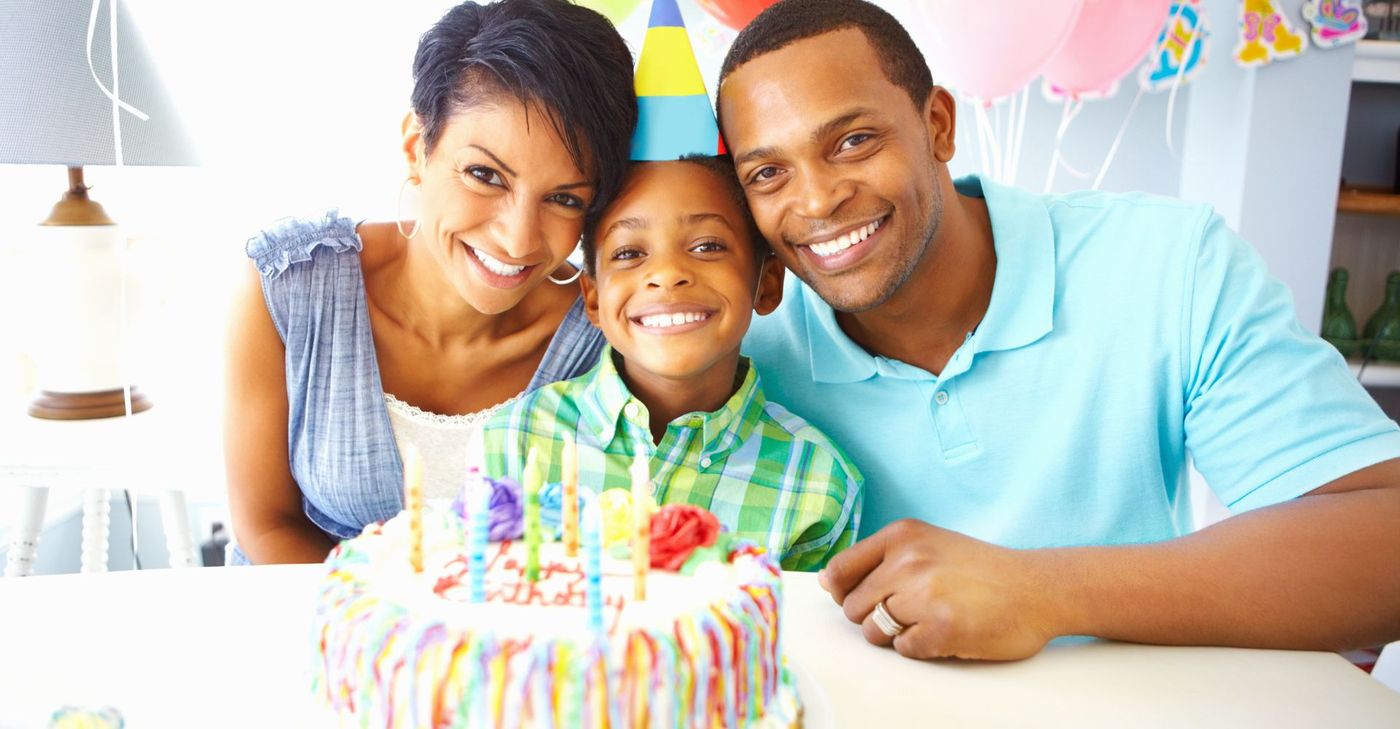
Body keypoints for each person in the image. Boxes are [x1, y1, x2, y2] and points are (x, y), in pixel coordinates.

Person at [716, 0, 1400, 659]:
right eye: (768, 173)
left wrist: (1042, 590)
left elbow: (1384, 540)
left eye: (854, 141)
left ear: (939, 126)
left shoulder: (1168, 263)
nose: (816, 199)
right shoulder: (738, 345)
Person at [223, 0, 636, 565]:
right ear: (418, 148)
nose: (518, 240)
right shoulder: (290, 286)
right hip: (312, 629)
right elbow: (264, 525)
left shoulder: (606, 334)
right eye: (485, 175)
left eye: (564, 198)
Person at [482, 1, 861, 571]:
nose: (666, 275)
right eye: (630, 254)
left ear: (767, 281)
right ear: (592, 297)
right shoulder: (517, 440)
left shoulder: (817, 483)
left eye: (708, 246)